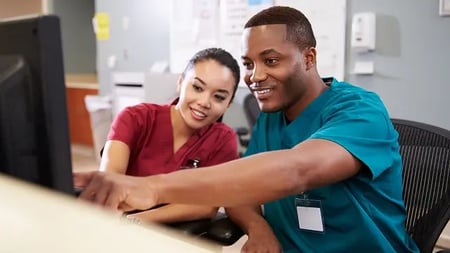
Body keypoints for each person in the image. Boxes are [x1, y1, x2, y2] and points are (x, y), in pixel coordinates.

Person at [74, 6, 419, 253]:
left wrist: (153, 188)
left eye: (271, 61)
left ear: (309, 59)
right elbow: (242, 187)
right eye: (249, 64)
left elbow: (296, 170)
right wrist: (258, 227)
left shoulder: (360, 110)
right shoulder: (272, 116)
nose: (255, 76)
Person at [97, 47, 241, 224]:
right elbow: (109, 183)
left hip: (175, 237)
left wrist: (137, 221)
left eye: (218, 97)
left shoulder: (223, 140)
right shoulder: (135, 119)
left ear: (228, 104)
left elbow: (206, 206)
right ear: (180, 83)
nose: (204, 102)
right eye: (197, 88)